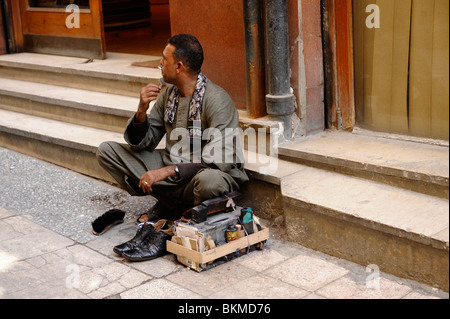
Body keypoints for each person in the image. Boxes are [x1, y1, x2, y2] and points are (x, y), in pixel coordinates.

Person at [96, 34, 248, 260]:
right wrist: (141, 110)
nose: (159, 64)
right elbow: (146, 141)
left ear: (178, 66)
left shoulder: (218, 100)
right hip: (169, 169)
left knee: (211, 181)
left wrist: (167, 171)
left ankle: (178, 211)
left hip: (202, 174)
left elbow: (218, 159)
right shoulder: (168, 94)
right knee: (107, 151)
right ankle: (170, 205)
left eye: (163, 60)